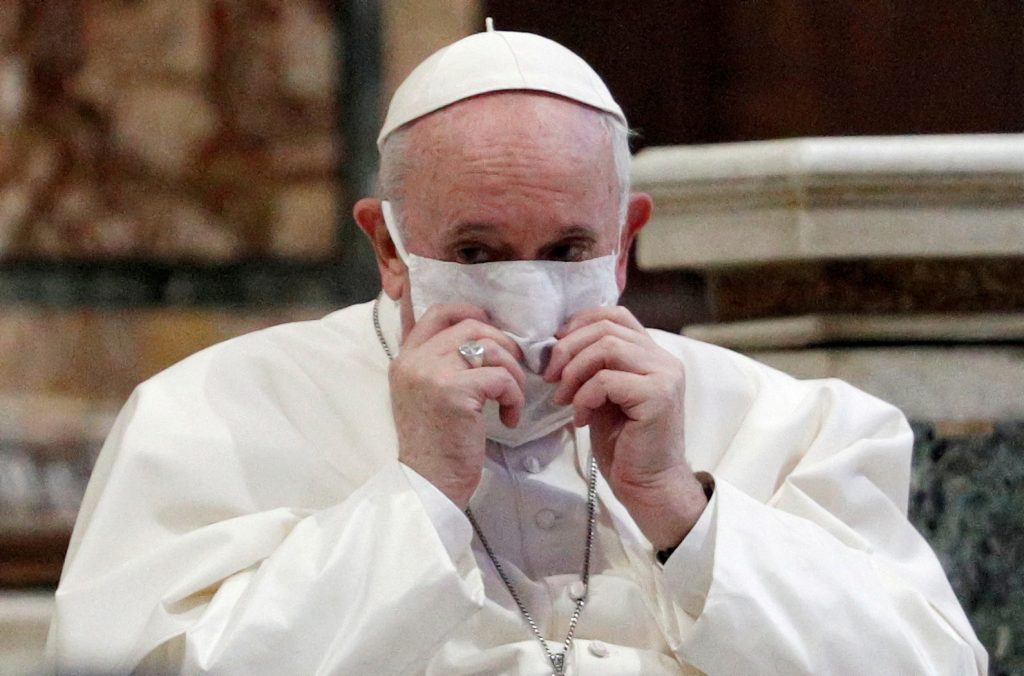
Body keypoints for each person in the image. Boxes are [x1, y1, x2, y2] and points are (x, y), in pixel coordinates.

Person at [47, 23, 986, 675]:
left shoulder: (797, 423)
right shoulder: (207, 416)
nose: (529, 295)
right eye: (477, 253)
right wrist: (417, 494)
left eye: (571, 250)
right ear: (388, 247)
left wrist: (682, 515)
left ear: (627, 239)